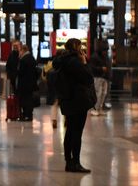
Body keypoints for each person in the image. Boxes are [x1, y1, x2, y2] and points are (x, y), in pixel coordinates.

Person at [53, 38, 95, 173]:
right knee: (77, 133)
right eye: (80, 45)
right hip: (78, 100)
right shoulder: (75, 62)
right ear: (76, 46)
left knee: (70, 131)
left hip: (67, 100)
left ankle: (68, 161)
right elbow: (88, 78)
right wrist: (84, 63)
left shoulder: (62, 60)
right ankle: (75, 162)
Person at [88, 42, 111, 116]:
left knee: (103, 93)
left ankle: (100, 109)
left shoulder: (104, 56)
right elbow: (91, 68)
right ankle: (95, 109)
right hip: (97, 77)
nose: (105, 52)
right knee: (98, 93)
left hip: (104, 77)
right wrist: (101, 69)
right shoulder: (94, 57)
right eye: (104, 50)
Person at [16, 44, 38, 121]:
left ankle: (26, 115)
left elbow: (20, 72)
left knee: (25, 100)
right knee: (29, 99)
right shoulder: (32, 58)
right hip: (31, 83)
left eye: (20, 51)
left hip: (24, 83)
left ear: (23, 50)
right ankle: (29, 115)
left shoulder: (23, 59)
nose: (19, 53)